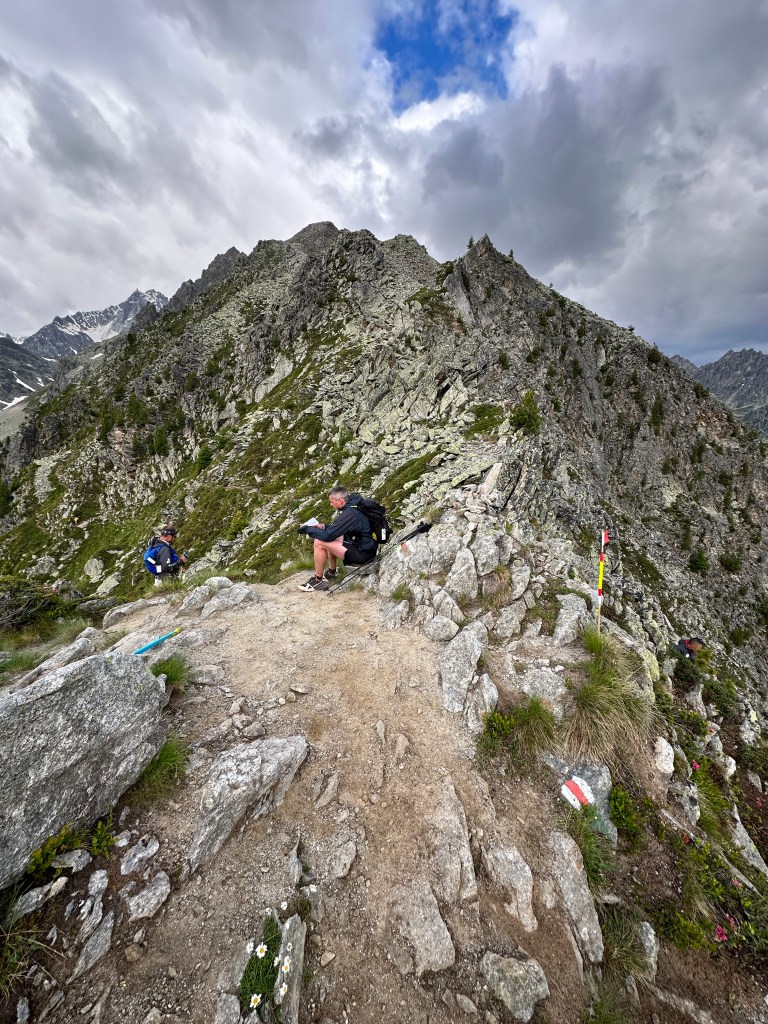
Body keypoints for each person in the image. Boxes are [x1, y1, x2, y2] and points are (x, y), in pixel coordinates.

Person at [297, 486, 377, 591]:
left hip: (364, 554)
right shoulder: (354, 505)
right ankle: (332, 572)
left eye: (332, 502)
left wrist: (307, 529)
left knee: (319, 542)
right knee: (332, 537)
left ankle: (317, 580)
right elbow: (337, 529)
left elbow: (327, 536)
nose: (331, 504)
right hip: (365, 547)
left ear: (341, 501)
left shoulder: (350, 513)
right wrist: (323, 526)